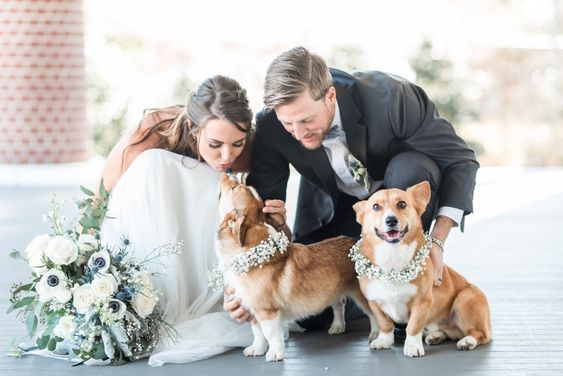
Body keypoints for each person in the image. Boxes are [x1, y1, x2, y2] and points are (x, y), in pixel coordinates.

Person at [225, 47, 479, 333]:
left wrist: (438, 239)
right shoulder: (271, 126)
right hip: (335, 208)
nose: (299, 133)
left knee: (410, 167)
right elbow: (263, 215)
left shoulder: (392, 98)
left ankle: (402, 304)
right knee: (309, 312)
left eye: (307, 120)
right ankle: (373, 295)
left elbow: (460, 160)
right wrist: (244, 283)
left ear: (330, 96)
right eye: (289, 124)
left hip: (397, 199)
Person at [100, 75, 286, 365]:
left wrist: (239, 291)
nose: (227, 156)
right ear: (192, 128)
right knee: (154, 164)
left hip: (206, 254)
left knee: (224, 185)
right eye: (215, 144)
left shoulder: (251, 152)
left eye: (237, 143)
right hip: (147, 241)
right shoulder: (155, 131)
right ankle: (152, 300)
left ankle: (213, 293)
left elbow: (258, 230)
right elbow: (105, 193)